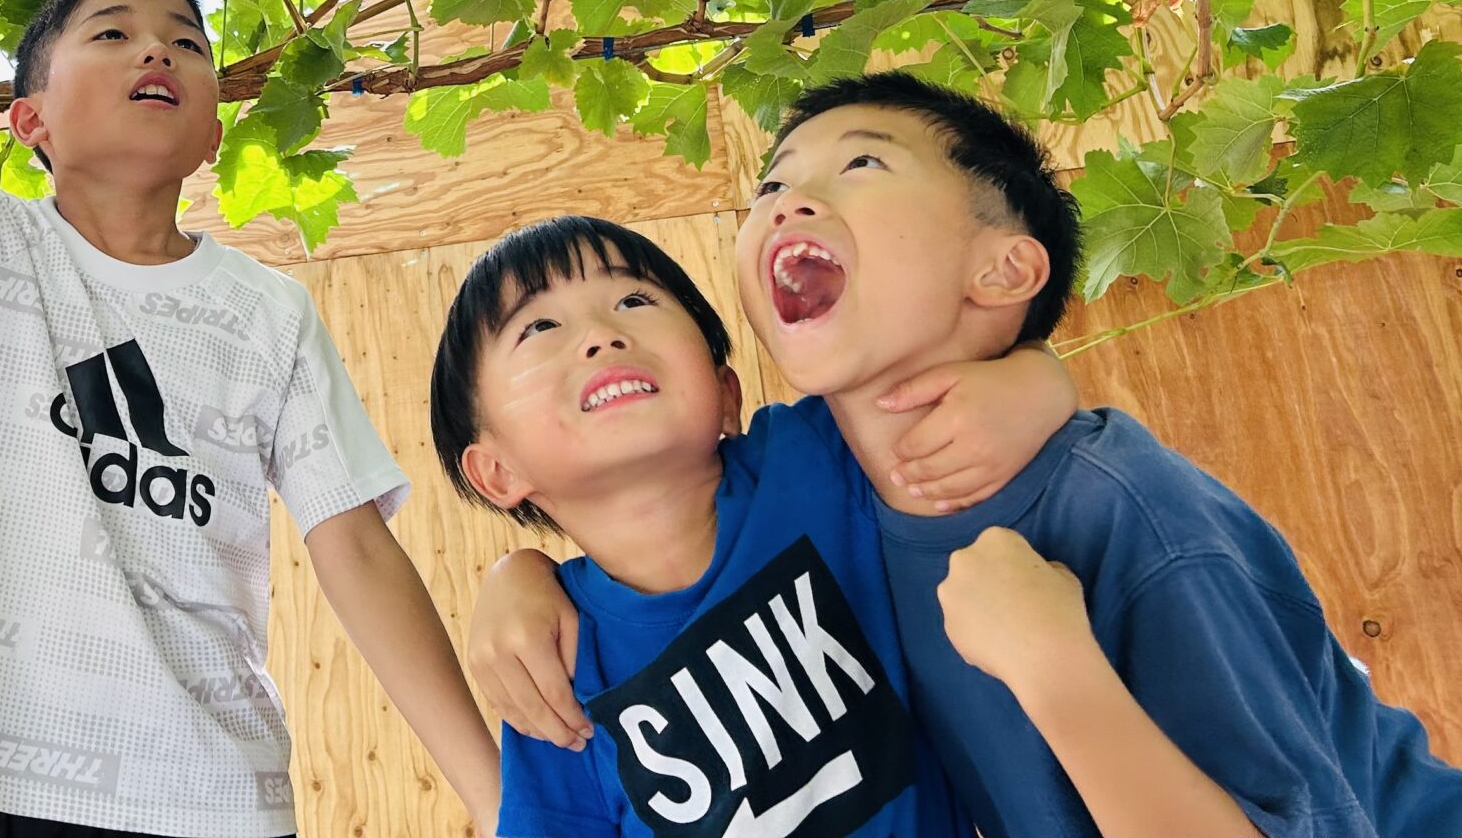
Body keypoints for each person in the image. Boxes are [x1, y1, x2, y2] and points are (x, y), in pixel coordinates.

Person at [471, 71, 1462, 838]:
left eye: (861, 162)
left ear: (1003, 267)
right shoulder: (845, 499)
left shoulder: (1124, 514)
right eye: (768, 187)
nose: (786, 199)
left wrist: (1052, 664)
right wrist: (517, 571)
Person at [0, 0, 501, 838]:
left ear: (211, 138)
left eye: (185, 43)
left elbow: (356, 548)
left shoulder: (267, 314)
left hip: (211, 796)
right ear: (30, 121)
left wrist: (502, 800)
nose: (157, 52)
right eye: (111, 33)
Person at [430, 211, 1076, 838]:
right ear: (496, 473)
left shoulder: (818, 451)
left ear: (727, 392)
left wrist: (1039, 380)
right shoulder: (553, 665)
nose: (601, 335)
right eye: (539, 326)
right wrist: (510, 572)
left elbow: (973, 365)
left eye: (633, 301)